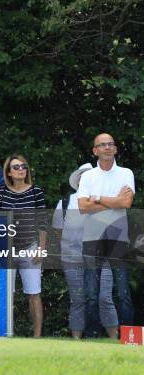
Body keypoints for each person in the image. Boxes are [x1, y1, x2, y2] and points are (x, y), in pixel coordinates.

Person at [77, 133, 134, 338]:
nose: (108, 147)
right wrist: (114, 201)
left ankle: (130, 338)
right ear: (95, 151)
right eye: (103, 145)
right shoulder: (88, 176)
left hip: (118, 237)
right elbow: (83, 207)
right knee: (91, 294)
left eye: (111, 144)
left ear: (116, 149)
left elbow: (126, 203)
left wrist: (98, 199)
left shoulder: (126, 173)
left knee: (123, 292)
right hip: (92, 239)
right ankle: (92, 337)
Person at [52, 163, 118, 339]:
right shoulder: (65, 203)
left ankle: (114, 340)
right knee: (78, 301)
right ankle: (76, 341)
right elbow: (58, 232)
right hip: (72, 260)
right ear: (79, 180)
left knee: (105, 298)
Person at [0, 154, 46, 337]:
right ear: (8, 171)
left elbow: (42, 222)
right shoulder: (1, 192)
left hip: (30, 248)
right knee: (8, 295)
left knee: (34, 294)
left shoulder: (36, 192)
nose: (21, 169)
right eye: (16, 167)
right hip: (7, 250)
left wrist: (41, 248)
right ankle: (8, 333)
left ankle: (37, 336)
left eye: (24, 166)